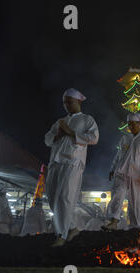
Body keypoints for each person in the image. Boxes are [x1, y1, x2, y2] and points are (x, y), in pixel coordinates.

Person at [45, 88, 99, 247]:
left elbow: (93, 138)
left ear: (79, 101)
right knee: (52, 197)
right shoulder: (60, 121)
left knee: (64, 198)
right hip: (55, 162)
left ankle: (61, 235)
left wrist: (71, 133)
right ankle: (73, 227)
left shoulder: (87, 120)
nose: (66, 105)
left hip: (73, 163)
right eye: (64, 102)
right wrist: (58, 135)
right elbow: (47, 139)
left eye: (70, 102)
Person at [103, 113, 140, 231]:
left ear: (139, 123)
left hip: (137, 174)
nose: (131, 126)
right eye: (129, 124)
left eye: (133, 124)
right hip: (121, 172)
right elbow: (118, 155)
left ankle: (135, 226)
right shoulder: (125, 138)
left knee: (136, 200)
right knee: (118, 194)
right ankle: (114, 221)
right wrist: (112, 168)